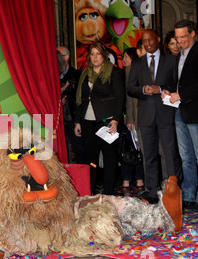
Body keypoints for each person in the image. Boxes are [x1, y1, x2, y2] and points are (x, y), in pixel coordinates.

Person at [127, 29, 181, 204]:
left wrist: (161, 88)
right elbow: (130, 88)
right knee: (148, 154)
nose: (148, 43)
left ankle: (172, 189)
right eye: (144, 41)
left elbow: (177, 84)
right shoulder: (137, 64)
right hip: (146, 116)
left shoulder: (172, 60)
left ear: (158, 39)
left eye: (151, 39)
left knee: (169, 154)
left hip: (166, 114)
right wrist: (143, 90)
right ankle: (152, 191)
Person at [167, 20, 198, 212]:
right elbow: (180, 82)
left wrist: (182, 95)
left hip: (196, 111)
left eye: (183, 37)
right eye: (177, 38)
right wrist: (169, 92)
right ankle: (188, 195)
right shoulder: (180, 54)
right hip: (180, 109)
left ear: (193, 34)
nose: (180, 41)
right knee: (185, 157)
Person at [74, 41, 125, 195]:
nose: (95, 57)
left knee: (109, 155)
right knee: (91, 157)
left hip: (107, 121)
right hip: (87, 120)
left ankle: (109, 190)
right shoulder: (84, 73)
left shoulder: (114, 72)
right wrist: (77, 121)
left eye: (98, 54)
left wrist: (115, 120)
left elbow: (120, 98)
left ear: (104, 56)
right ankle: (92, 189)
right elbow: (80, 99)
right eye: (92, 54)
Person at [57, 46, 85, 164]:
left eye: (59, 56)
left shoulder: (76, 74)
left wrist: (60, 90)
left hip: (72, 116)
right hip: (57, 117)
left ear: (66, 57)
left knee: (79, 149)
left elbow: (74, 92)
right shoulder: (51, 74)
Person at [121, 47, 144, 189]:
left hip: (137, 117)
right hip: (129, 118)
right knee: (128, 149)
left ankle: (138, 178)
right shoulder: (123, 73)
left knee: (138, 149)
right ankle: (128, 179)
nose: (124, 60)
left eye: (127, 57)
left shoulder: (134, 71)